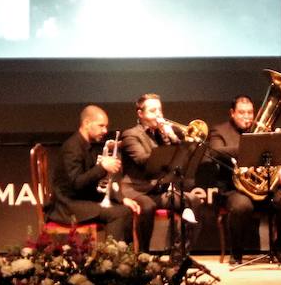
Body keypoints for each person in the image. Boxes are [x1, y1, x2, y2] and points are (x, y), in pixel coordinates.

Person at [208, 95, 281, 265]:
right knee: (243, 206)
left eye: (250, 112)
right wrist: (250, 146)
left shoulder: (264, 131)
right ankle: (236, 255)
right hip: (232, 190)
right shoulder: (219, 131)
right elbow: (215, 153)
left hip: (264, 189)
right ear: (232, 113)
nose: (247, 116)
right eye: (242, 112)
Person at [119, 92, 203, 252]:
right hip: (137, 190)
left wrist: (171, 136)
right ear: (140, 114)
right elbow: (143, 161)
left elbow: (180, 155)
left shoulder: (162, 134)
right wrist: (164, 148)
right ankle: (143, 256)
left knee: (193, 200)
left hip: (159, 191)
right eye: (152, 111)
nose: (158, 114)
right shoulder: (130, 134)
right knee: (148, 207)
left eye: (159, 110)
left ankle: (181, 253)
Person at [47, 105, 136, 242]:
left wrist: (120, 199)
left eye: (106, 126)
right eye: (101, 126)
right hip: (68, 206)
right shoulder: (72, 148)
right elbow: (76, 184)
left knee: (125, 209)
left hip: (81, 200)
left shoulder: (88, 146)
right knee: (119, 214)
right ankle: (113, 257)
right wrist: (102, 167)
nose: (105, 130)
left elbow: (91, 182)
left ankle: (123, 257)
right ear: (87, 123)